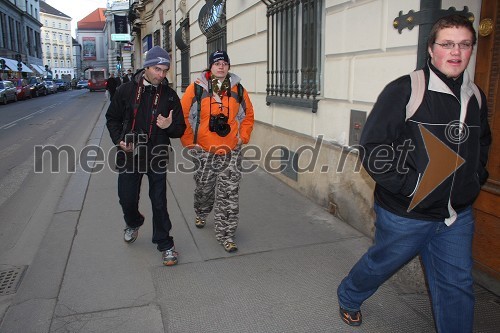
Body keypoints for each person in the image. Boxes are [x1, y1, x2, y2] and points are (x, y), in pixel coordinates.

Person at [336, 15, 491, 332]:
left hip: (455, 216)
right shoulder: (405, 89)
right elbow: (373, 146)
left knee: (457, 287)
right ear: (431, 49)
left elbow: (482, 142)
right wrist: (413, 185)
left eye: (464, 44)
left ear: (472, 49)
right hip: (405, 213)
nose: (456, 52)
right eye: (447, 44)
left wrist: (474, 180)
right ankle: (350, 295)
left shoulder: (474, 96)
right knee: (382, 263)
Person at [106, 46, 186, 266]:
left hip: (157, 153)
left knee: (159, 201)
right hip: (130, 154)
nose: (161, 74)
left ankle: (165, 243)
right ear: (146, 67)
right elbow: (111, 118)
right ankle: (134, 221)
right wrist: (118, 140)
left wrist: (169, 126)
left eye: (165, 70)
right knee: (126, 198)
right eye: (157, 69)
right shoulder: (125, 91)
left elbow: (180, 129)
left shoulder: (169, 96)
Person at [180, 50, 254, 253]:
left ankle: (226, 234)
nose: (221, 66)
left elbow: (248, 116)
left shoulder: (238, 90)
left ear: (228, 67)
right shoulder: (196, 89)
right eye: (217, 63)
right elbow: (183, 115)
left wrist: (243, 137)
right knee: (204, 188)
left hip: (231, 151)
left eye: (225, 63)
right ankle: (202, 211)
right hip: (204, 151)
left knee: (229, 195)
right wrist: (189, 141)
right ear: (210, 67)